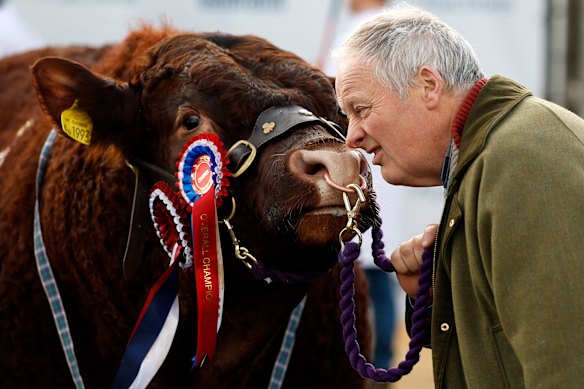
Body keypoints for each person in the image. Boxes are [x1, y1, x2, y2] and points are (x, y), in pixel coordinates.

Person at [332, 3, 584, 388]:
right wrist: (439, 292)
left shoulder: (521, 158)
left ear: (428, 85)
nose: (352, 137)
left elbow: (566, 365)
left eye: (360, 109)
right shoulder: (497, 154)